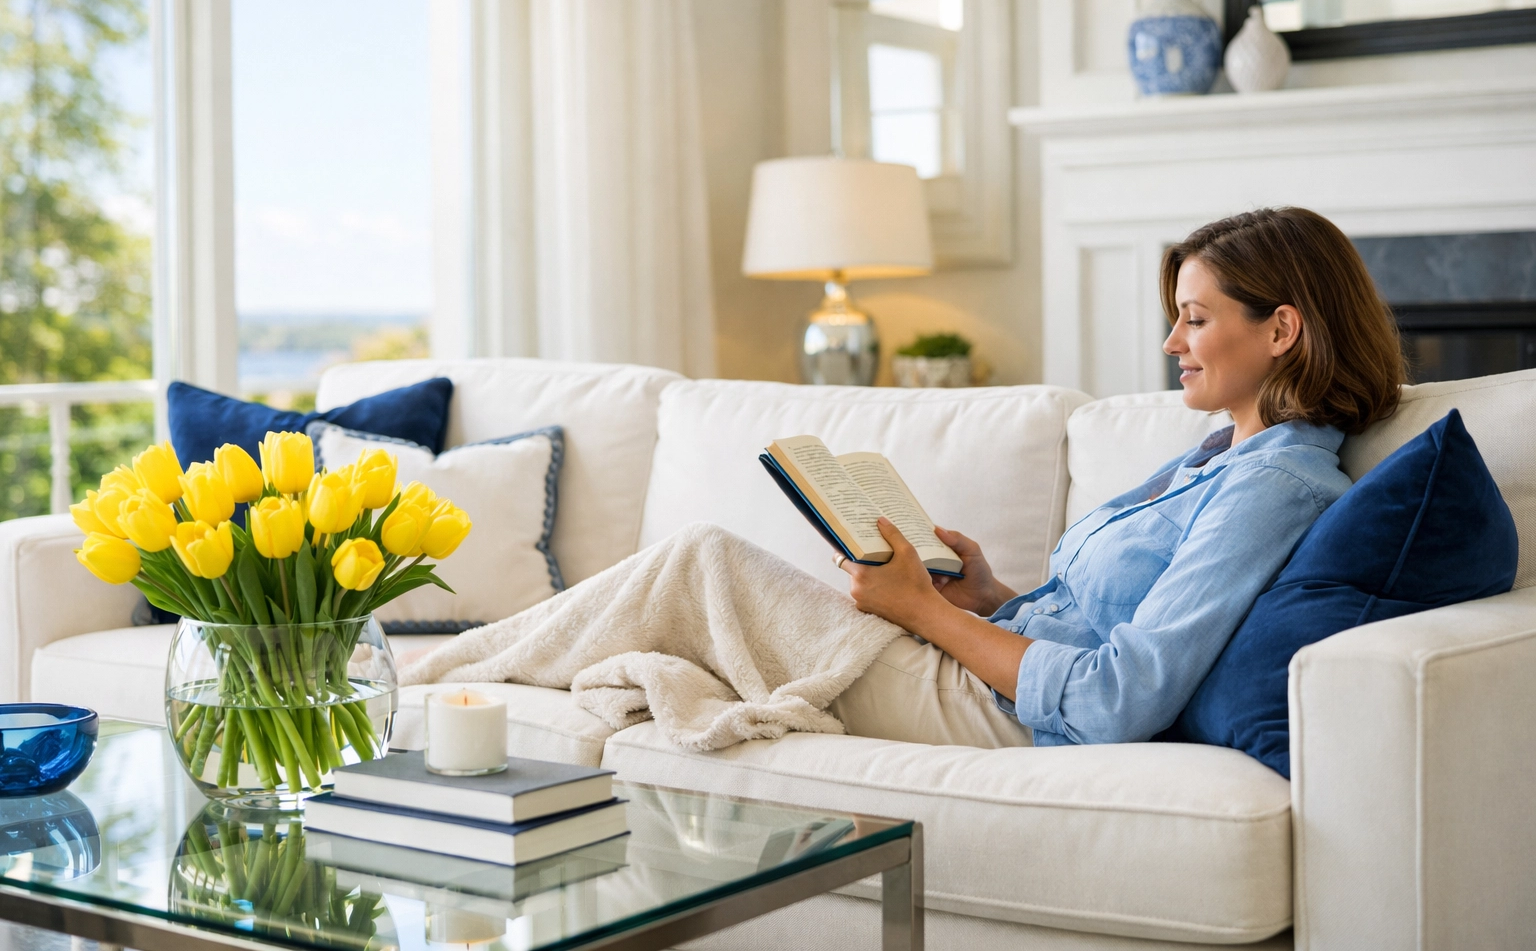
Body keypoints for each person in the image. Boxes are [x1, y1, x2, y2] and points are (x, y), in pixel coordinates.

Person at [406, 206, 1405, 751]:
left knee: (697, 563)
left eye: (1195, 317)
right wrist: (990, 594)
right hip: (987, 656)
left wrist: (927, 617)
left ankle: (411, 684)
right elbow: (1114, 620)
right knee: (689, 597)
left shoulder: (1277, 486)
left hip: (1000, 710)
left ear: (1281, 328)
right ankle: (435, 681)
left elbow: (1117, 697)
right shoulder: (1217, 456)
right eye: (1176, 315)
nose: (1170, 340)